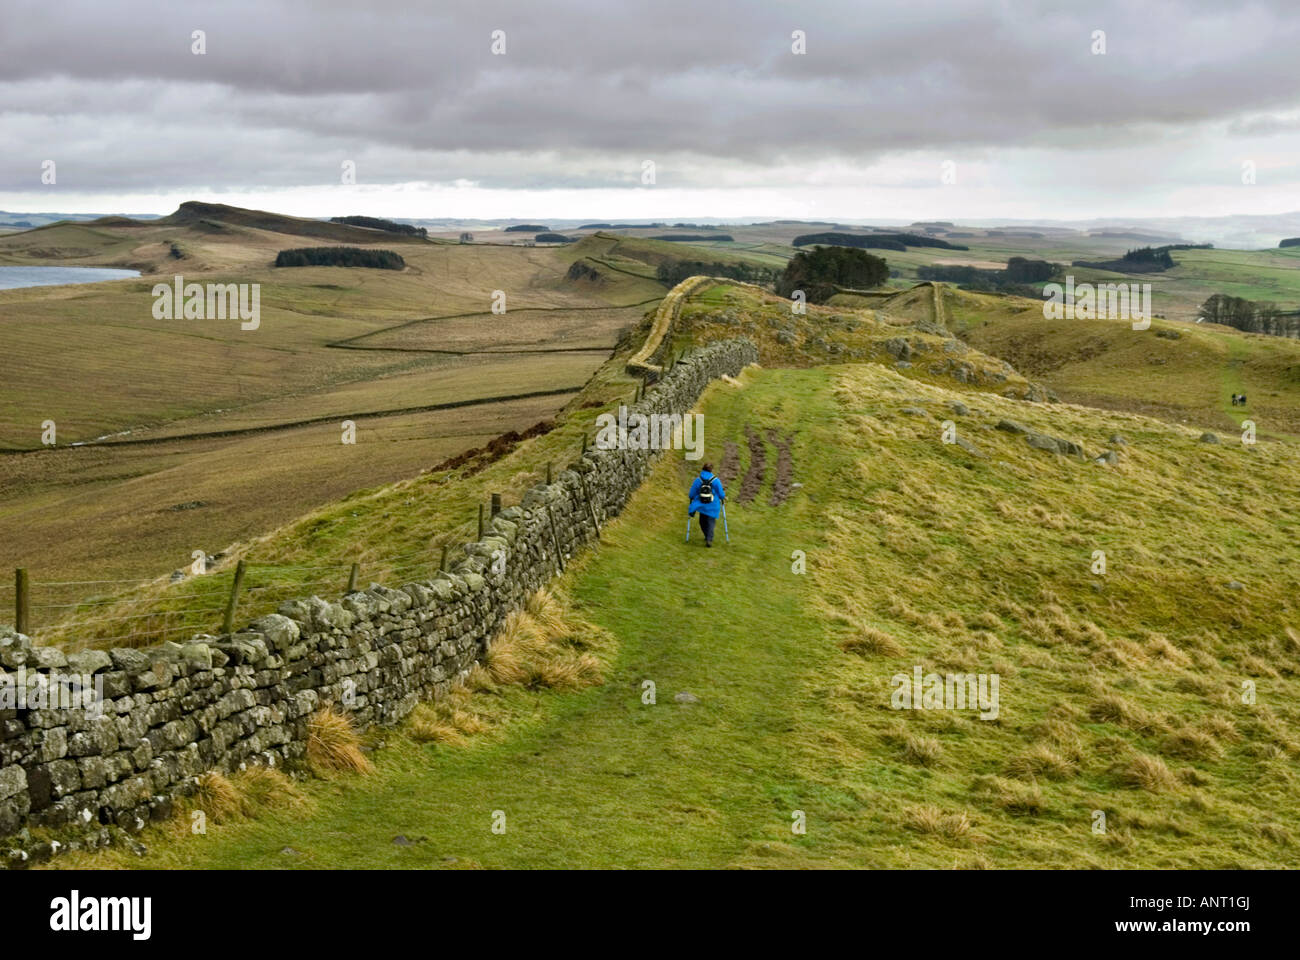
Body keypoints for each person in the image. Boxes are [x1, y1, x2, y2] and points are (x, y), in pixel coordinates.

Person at [688, 463, 725, 547]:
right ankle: (709, 539)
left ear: (702, 469)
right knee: (711, 522)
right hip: (713, 504)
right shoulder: (715, 480)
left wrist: (691, 497)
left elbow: (692, 493)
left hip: (702, 505)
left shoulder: (698, 480)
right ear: (711, 470)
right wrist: (723, 497)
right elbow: (721, 493)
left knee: (702, 522)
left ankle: (706, 536)